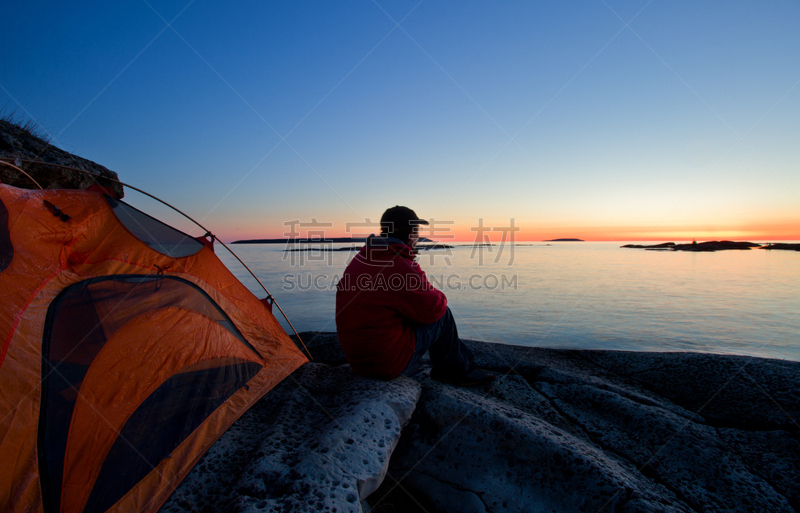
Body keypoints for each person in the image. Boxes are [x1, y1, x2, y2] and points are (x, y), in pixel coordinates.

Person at [335, 205, 495, 386]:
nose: (418, 238)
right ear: (410, 233)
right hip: (385, 366)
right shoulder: (399, 264)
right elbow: (433, 309)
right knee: (443, 315)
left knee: (410, 311)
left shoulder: (362, 258)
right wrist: (435, 291)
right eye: (416, 232)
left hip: (358, 362)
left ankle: (462, 361)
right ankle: (452, 372)